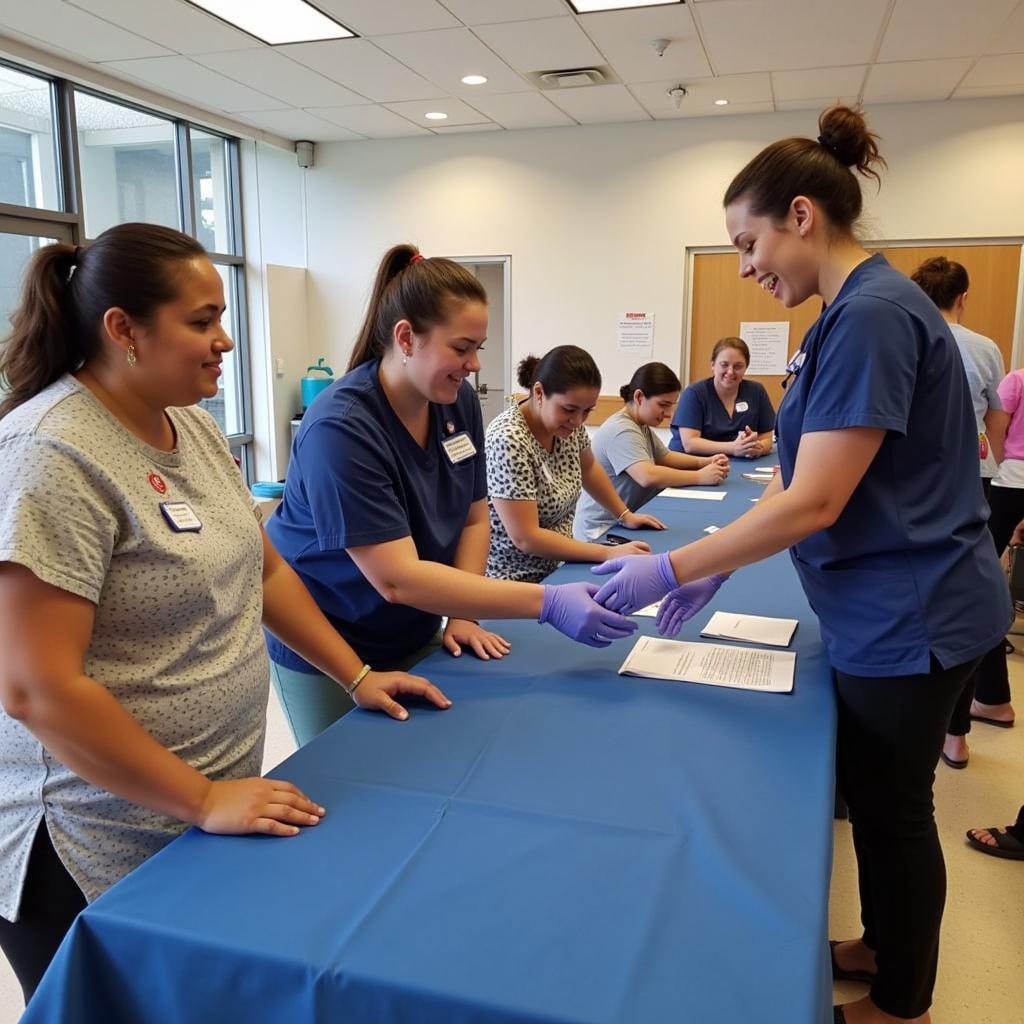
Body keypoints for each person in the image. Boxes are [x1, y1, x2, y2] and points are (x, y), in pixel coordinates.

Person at [590, 107, 1011, 1024]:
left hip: (914, 613)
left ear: (802, 217)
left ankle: (903, 1000)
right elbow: (812, 476)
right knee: (877, 794)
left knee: (896, 811)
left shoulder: (869, 317)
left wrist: (671, 571)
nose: (747, 264)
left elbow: (816, 499)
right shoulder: (846, 316)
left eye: (749, 242)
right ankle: (883, 945)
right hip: (891, 604)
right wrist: (716, 568)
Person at [0, 225, 451, 1005]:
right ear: (123, 330)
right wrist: (201, 798)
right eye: (202, 321)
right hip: (93, 833)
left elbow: (264, 567)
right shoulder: (51, 452)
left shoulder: (193, 425)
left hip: (195, 803)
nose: (226, 340)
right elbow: (36, 689)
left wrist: (355, 674)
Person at [265, 246, 636, 745]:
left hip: (411, 626)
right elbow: (396, 579)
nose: (475, 364)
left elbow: (472, 519)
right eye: (462, 348)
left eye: (478, 347)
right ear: (406, 338)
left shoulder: (454, 400)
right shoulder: (342, 428)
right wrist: (546, 603)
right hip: (331, 643)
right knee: (349, 783)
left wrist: (461, 614)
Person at [910, 256, 1013, 767]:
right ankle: (976, 714)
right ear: (963, 297)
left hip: (921, 484)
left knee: (938, 600)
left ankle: (954, 727)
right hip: (976, 476)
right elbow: (995, 420)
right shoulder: (985, 347)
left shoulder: (902, 337)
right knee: (973, 589)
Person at [484, 346, 664, 582]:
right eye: (569, 409)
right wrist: (607, 553)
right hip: (514, 581)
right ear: (539, 393)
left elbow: (588, 468)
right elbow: (525, 537)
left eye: (587, 411)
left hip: (559, 567)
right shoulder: (507, 439)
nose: (578, 421)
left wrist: (624, 514)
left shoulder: (569, 427)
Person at [574, 362, 729, 541]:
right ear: (639, 397)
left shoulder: (639, 425)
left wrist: (706, 462)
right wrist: (700, 477)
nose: (668, 413)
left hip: (626, 519)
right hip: (602, 530)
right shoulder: (621, 430)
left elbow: (665, 457)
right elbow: (647, 476)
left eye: (671, 406)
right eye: (663, 405)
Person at [669, 337, 775, 458]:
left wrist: (758, 448)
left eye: (738, 366)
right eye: (724, 365)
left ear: (746, 367)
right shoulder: (694, 393)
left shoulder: (756, 391)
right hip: (692, 464)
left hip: (740, 463)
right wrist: (733, 448)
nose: (730, 371)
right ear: (713, 365)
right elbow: (690, 443)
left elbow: (767, 439)